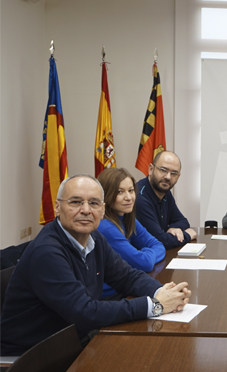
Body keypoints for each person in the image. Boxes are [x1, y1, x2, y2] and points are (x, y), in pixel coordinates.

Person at [0, 174, 190, 356]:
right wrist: (155, 305)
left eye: (93, 203)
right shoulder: (47, 252)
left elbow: (126, 276)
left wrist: (164, 293)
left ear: (102, 209)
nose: (85, 210)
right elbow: (85, 312)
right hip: (34, 357)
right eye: (75, 202)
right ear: (57, 207)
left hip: (71, 340)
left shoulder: (94, 238)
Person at [97, 167, 165, 299]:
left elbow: (158, 244)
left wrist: (145, 253)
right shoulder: (105, 227)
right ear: (106, 194)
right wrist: (146, 253)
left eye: (131, 191)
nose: (128, 197)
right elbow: (144, 263)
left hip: (125, 289)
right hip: (110, 297)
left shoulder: (127, 218)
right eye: (120, 192)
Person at [136, 151, 197, 250]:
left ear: (178, 177)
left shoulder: (165, 192)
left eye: (174, 173)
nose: (168, 177)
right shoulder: (139, 197)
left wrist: (172, 228)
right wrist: (187, 235)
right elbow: (160, 240)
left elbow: (182, 221)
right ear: (151, 169)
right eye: (163, 170)